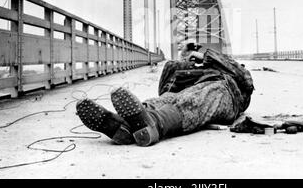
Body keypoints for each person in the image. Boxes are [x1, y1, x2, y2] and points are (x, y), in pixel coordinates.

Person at [76, 46, 254, 147]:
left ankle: (153, 125)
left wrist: (205, 56)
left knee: (195, 99)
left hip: (224, 93)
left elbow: (246, 79)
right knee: (162, 99)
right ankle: (123, 127)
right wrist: (182, 63)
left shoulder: (229, 69)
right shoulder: (188, 69)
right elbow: (164, 90)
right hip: (186, 90)